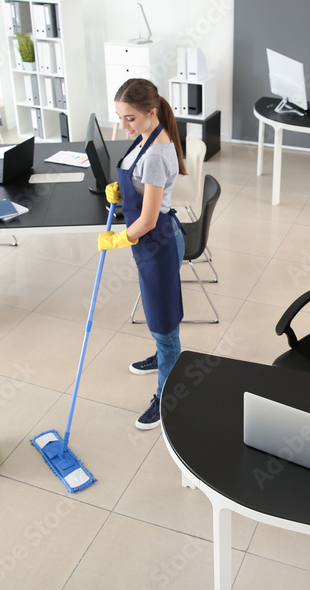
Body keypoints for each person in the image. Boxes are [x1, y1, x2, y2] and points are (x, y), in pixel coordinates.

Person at [98, 79, 187, 429]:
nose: (124, 126)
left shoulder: (157, 153)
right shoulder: (146, 135)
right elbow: (140, 183)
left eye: (130, 119)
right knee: (155, 311)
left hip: (157, 242)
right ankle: (162, 354)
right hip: (150, 243)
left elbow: (148, 220)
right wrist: (122, 190)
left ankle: (168, 394)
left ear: (151, 113)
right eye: (120, 117)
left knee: (165, 322)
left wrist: (118, 239)